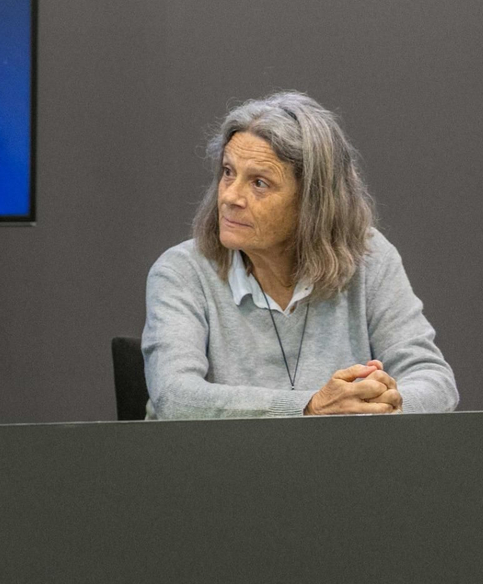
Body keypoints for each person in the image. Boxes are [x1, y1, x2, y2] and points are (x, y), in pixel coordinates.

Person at [144, 91, 457, 419]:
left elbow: (435, 381)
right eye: (227, 172)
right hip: (215, 468)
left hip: (337, 469)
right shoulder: (181, 271)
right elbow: (175, 396)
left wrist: (383, 401)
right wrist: (310, 407)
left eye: (259, 183)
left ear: (313, 202)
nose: (230, 196)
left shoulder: (369, 258)